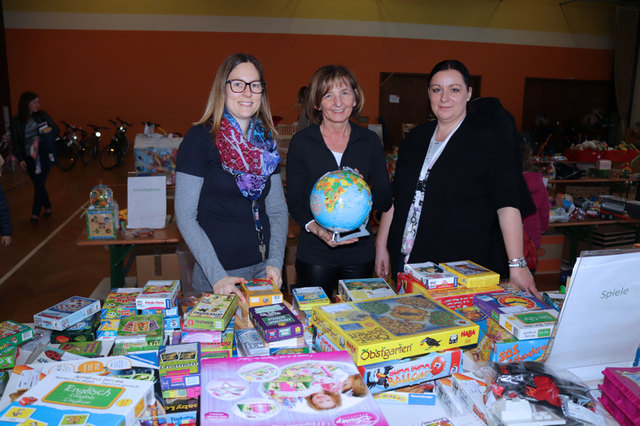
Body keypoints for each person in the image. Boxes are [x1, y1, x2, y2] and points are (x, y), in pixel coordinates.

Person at [375, 59, 539, 297]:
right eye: (436, 89)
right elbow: (397, 196)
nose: (444, 98)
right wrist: (382, 245)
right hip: (409, 259)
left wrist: (517, 265)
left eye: (454, 89)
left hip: (460, 265)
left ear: (468, 93)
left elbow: (507, 204)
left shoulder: (488, 140)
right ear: (428, 94)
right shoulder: (415, 140)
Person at [175, 53, 288, 301]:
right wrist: (217, 276)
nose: (247, 93)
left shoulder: (266, 144)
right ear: (222, 89)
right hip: (220, 276)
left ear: (262, 92)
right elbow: (185, 216)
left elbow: (278, 210)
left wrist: (276, 262)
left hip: (265, 272)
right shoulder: (200, 139)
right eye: (238, 84)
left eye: (255, 85)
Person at [286, 65, 393, 298]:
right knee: (313, 320)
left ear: (355, 97)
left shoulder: (370, 141)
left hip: (360, 253)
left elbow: (386, 200)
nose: (338, 102)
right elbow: (294, 202)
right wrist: (317, 230)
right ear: (317, 103)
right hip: (315, 252)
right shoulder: (301, 143)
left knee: (357, 322)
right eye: (328, 95)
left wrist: (363, 189)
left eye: (344, 92)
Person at [10, 91, 59, 224]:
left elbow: (55, 129)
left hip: (43, 155)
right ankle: (47, 205)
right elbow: (15, 141)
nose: (38, 105)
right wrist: (21, 159)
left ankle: (35, 212)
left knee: (39, 184)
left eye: (38, 102)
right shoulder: (16, 121)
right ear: (27, 104)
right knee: (39, 184)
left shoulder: (42, 115)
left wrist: (44, 137)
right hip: (28, 157)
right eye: (35, 102)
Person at [521, 141, 550, 260]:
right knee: (530, 265)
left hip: (511, 236)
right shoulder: (538, 181)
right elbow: (544, 208)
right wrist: (543, 227)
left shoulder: (510, 182)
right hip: (533, 233)